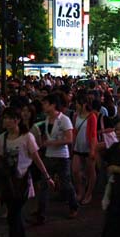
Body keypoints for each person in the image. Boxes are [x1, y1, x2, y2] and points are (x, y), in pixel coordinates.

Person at [0, 108, 53, 237]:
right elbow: (1, 160)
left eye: (9, 118)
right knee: (14, 217)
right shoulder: (2, 138)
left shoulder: (27, 137)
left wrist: (46, 176)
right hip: (8, 183)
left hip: (22, 183)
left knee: (13, 216)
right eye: (4, 118)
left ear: (17, 120)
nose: (6, 121)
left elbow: (36, 158)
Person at [34, 93, 79, 222]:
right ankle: (41, 213)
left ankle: (73, 206)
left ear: (53, 105)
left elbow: (69, 139)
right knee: (45, 185)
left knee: (66, 183)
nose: (43, 106)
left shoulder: (64, 119)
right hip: (49, 155)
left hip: (62, 157)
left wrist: (51, 143)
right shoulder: (47, 119)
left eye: (45, 103)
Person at [71, 94, 98, 206]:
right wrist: (72, 145)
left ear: (84, 104)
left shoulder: (92, 116)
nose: (75, 105)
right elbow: (74, 131)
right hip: (78, 147)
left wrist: (92, 150)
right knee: (75, 170)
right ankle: (80, 191)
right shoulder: (76, 115)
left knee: (90, 171)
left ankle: (88, 194)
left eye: (77, 103)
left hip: (89, 148)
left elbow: (93, 134)